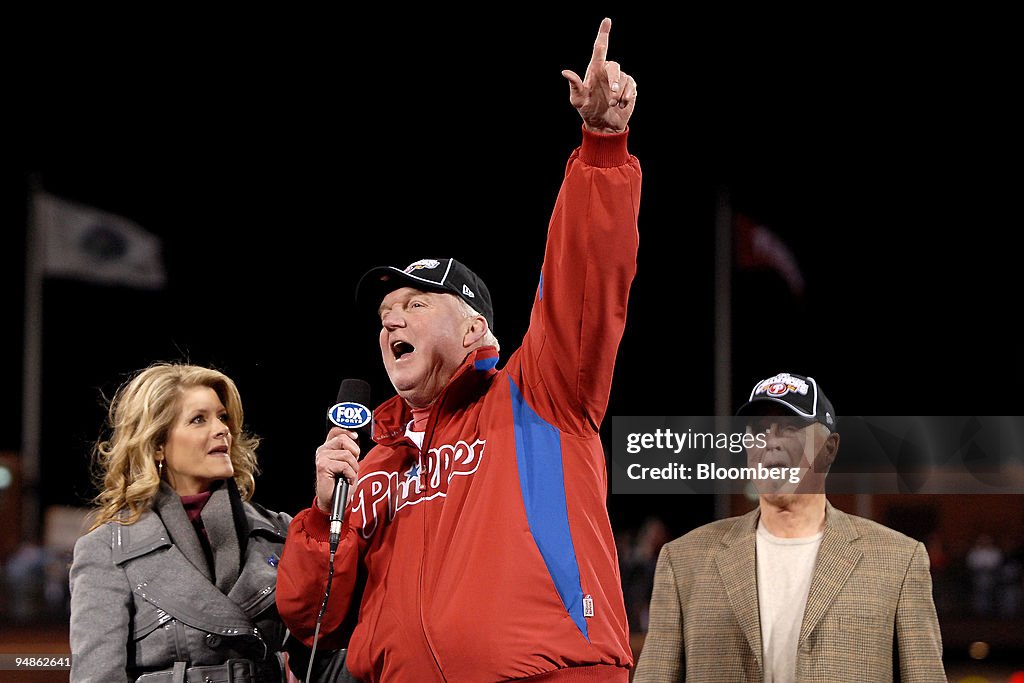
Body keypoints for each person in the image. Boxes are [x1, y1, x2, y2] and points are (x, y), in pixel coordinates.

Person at [275, 16, 640, 682]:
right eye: (386, 314)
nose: (392, 322)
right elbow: (311, 615)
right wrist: (325, 513)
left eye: (415, 305)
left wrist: (601, 147)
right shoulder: (375, 459)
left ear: (476, 332)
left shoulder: (541, 394)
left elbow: (584, 282)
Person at [633, 372, 946, 682]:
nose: (770, 442)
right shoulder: (684, 560)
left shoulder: (898, 561)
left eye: (790, 428)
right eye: (758, 431)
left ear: (830, 449)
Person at [69, 362, 307, 682]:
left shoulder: (278, 532)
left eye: (222, 417)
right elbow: (98, 675)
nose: (222, 428)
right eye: (199, 419)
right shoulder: (107, 549)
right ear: (157, 445)